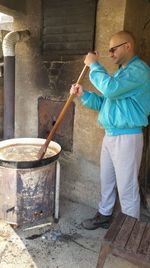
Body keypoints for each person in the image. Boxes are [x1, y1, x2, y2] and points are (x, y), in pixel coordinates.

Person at [70, 31, 150, 230]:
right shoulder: (121, 74)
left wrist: (94, 65)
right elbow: (105, 102)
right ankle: (105, 215)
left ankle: (129, 230)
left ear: (128, 46)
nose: (111, 53)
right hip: (111, 135)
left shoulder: (139, 70)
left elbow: (110, 90)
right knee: (107, 180)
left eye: (113, 49)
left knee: (127, 187)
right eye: (109, 50)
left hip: (127, 136)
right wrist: (84, 94)